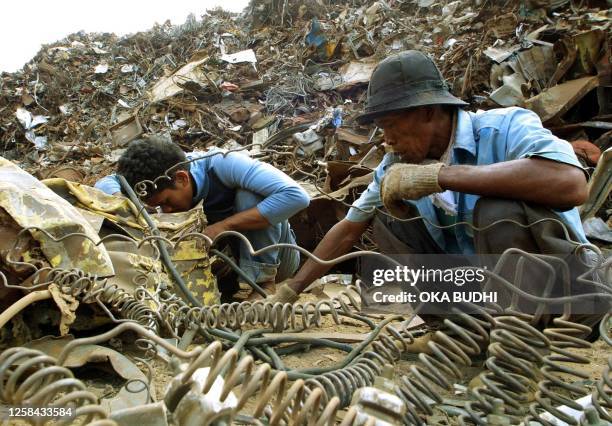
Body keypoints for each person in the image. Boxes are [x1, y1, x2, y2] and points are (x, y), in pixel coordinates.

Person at [271, 50, 596, 319]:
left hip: (565, 292)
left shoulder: (505, 127)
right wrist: (290, 290)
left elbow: (571, 184)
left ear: (427, 111)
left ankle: (523, 338)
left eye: (392, 125)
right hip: (486, 296)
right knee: (388, 220)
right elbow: (348, 229)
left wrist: (439, 177)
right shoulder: (396, 164)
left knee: (498, 210)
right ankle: (456, 330)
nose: (388, 139)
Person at [95, 136, 310, 296]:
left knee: (250, 195)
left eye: (166, 203)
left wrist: (223, 226)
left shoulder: (223, 164)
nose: (166, 212)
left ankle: (263, 284)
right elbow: (108, 181)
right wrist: (124, 199)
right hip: (226, 264)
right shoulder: (158, 177)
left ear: (181, 179)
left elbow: (297, 196)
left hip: (280, 259)